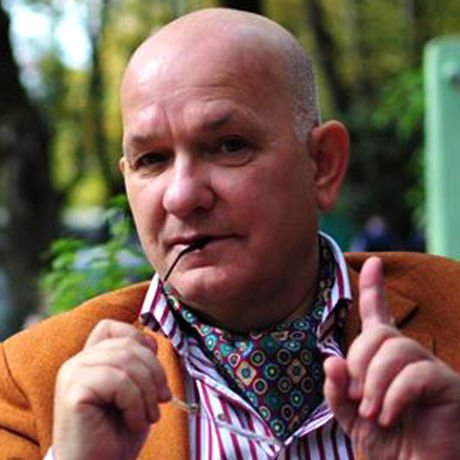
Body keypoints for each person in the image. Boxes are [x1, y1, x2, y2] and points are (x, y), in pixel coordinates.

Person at [1, 7, 460, 460]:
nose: (182, 196)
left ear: (322, 165)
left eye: (229, 146)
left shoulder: (452, 309)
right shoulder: (27, 383)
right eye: (152, 160)